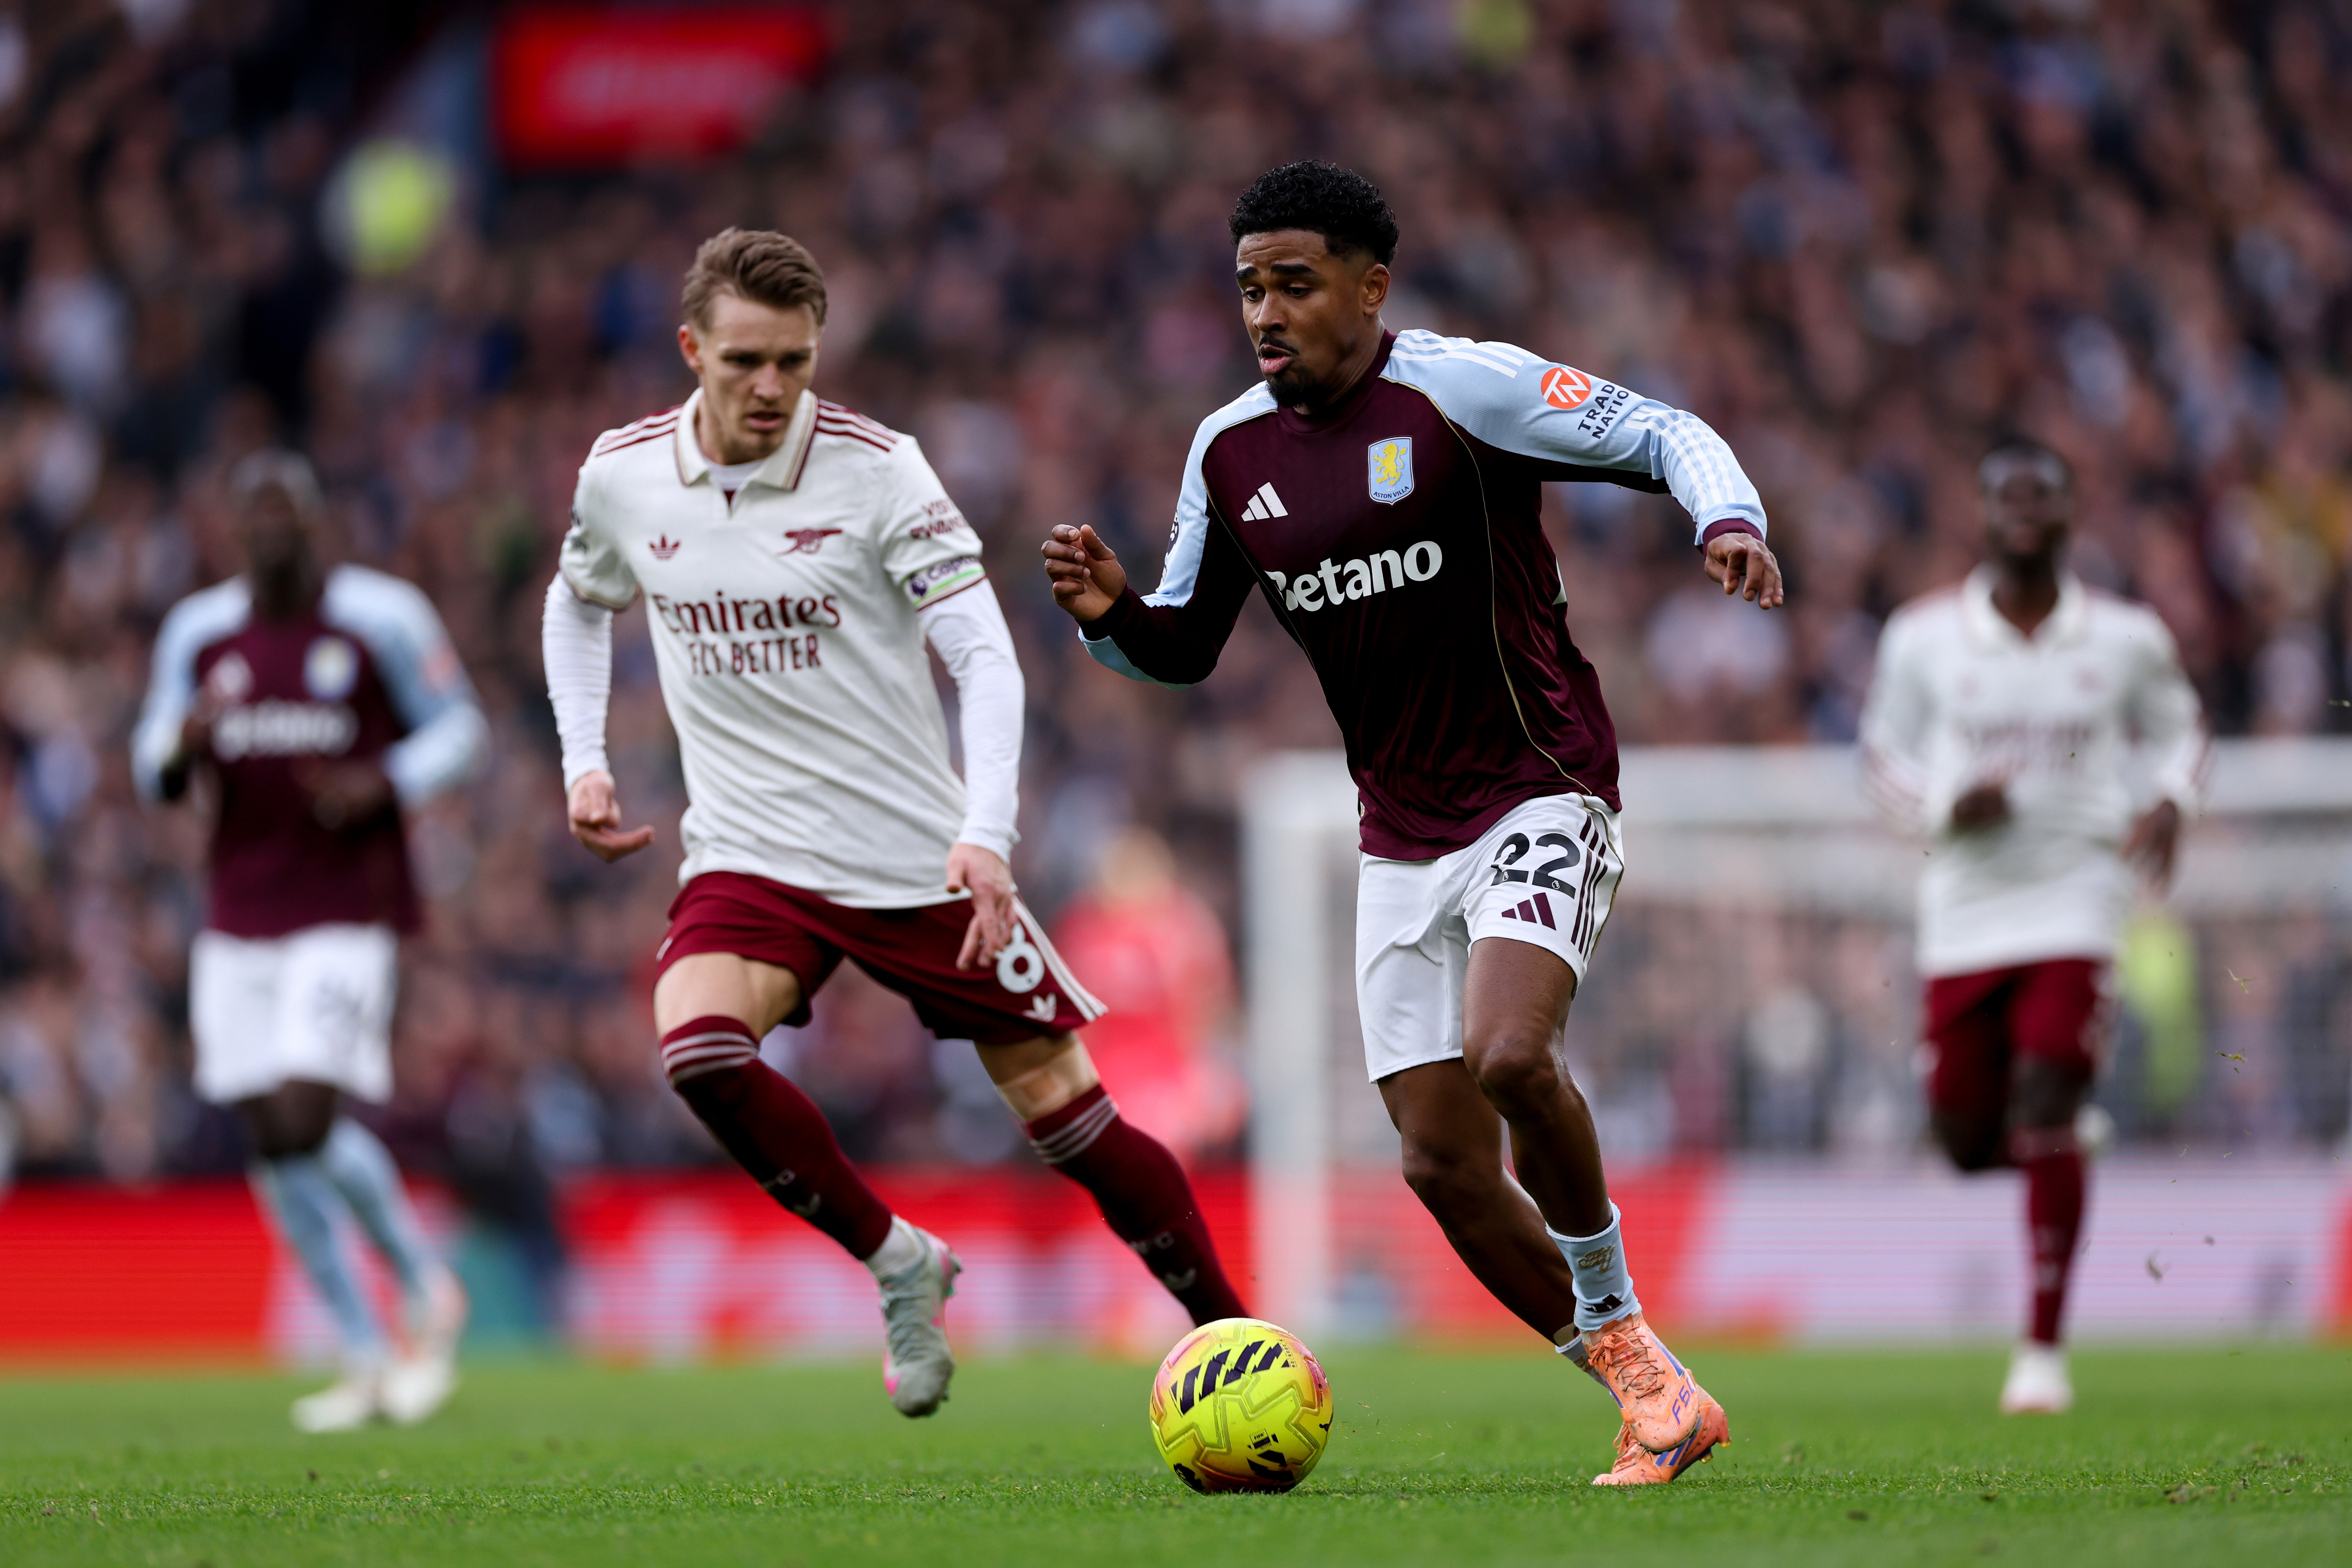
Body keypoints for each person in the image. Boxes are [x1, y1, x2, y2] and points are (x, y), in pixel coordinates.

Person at [1042, 162, 1777, 1486]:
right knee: (1440, 1163)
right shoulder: (1229, 453)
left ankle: (1620, 1318)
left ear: (1370, 287)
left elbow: (1662, 429)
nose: (1266, 313)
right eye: (1249, 289)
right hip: (1397, 834)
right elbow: (1182, 647)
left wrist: (1728, 515)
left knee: (1510, 1056)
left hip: (1542, 786)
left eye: (1295, 284)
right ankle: (1650, 1384)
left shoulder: (1464, 391)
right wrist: (1111, 618)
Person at [542, 228, 1246, 1418]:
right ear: (692, 350)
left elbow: (986, 657)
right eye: (746, 361)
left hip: (912, 855)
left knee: (1072, 1124)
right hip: (750, 851)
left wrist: (987, 833)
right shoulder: (624, 475)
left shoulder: (878, 470)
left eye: (796, 361)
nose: (773, 387)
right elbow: (576, 600)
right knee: (698, 1051)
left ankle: (1233, 1332)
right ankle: (898, 1259)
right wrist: (584, 761)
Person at [131, 450, 486, 1432]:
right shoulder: (199, 631)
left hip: (345, 905)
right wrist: (180, 748)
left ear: (315, 521)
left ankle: (421, 1279)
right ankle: (363, 1351)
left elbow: (462, 728)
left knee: (301, 1110)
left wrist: (389, 779)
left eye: (286, 512)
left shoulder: (383, 617)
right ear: (235, 530)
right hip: (238, 911)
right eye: (254, 516)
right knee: (270, 1138)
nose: (270, 530)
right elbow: (152, 755)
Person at [1861, 442, 2205, 1414]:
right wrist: (1943, 804)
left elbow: (2183, 729)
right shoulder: (1924, 636)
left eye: (2041, 494)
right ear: (1980, 511)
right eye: (2006, 494)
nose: (2023, 509)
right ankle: (2059, 1146)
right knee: (1965, 1138)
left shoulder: (2125, 637)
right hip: (1965, 907)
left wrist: (2172, 797)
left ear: (2068, 512)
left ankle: (2043, 1352)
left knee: (2049, 1084)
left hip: (2078, 894)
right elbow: (1882, 755)